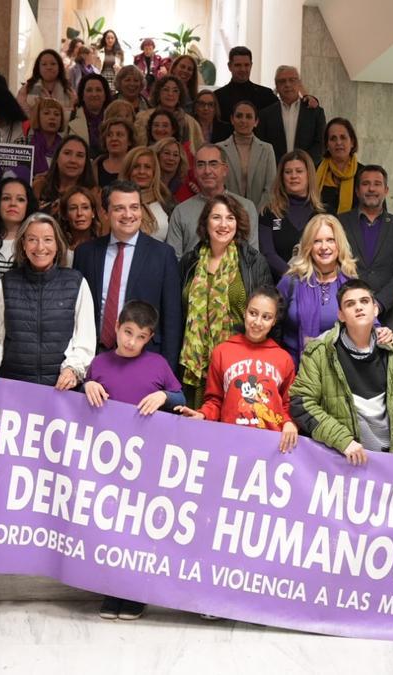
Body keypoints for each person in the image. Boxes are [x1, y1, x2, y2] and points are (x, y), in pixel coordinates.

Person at [84, 299, 185, 620]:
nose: (131, 341)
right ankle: (111, 591)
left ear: (149, 337)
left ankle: (135, 594)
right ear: (115, 327)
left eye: (140, 336)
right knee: (110, 526)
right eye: (127, 332)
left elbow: (180, 398)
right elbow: (77, 404)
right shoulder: (99, 363)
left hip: (146, 464)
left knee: (138, 528)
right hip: (109, 463)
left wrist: (165, 396)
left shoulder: (157, 365)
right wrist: (86, 385)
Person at [288, 280, 393, 476]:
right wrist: (343, 440)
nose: (358, 307)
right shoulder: (320, 352)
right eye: (350, 304)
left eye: (364, 301)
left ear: (375, 309)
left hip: (388, 463)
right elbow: (300, 402)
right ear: (340, 315)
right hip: (341, 463)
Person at [0, 212, 95, 387]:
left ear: (57, 245)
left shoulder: (76, 283)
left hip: (60, 390)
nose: (40, 247)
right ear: (23, 244)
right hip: (13, 388)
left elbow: (84, 340)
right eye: (32, 239)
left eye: (47, 239)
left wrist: (71, 370)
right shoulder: (7, 283)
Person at [73, 181, 183, 367]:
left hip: (144, 358)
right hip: (93, 356)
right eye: (119, 209)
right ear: (105, 213)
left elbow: (172, 319)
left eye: (134, 207)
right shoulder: (85, 253)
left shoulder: (163, 255)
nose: (128, 215)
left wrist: (167, 371)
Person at [177, 194, 274, 405]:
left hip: (238, 365)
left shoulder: (253, 262)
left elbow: (268, 315)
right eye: (216, 218)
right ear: (205, 222)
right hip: (194, 367)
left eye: (230, 218)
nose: (223, 224)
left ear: (238, 223)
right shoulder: (190, 261)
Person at [177, 286, 298, 451]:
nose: (257, 322)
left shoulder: (284, 359)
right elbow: (215, 400)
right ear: (244, 312)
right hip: (230, 443)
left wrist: (289, 422)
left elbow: (286, 404)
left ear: (274, 321)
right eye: (253, 313)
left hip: (269, 446)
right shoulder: (222, 351)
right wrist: (203, 414)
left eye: (266, 317)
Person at [276, 214, 357, 364]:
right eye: (317, 241)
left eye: (330, 240)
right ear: (308, 246)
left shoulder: (351, 284)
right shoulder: (291, 281)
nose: (324, 247)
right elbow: (271, 322)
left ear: (339, 244)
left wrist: (380, 330)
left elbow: (366, 320)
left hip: (338, 372)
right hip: (293, 372)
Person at [338, 165, 393, 325]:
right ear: (357, 191)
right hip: (346, 313)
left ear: (386, 190)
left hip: (384, 316)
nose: (371, 188)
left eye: (377, 184)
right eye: (365, 184)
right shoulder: (340, 223)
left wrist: (378, 303)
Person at [165, 144, 259, 257]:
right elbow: (174, 259)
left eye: (213, 164)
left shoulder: (246, 207)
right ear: (194, 171)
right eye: (201, 165)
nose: (207, 171)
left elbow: (253, 258)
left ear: (225, 170)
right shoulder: (181, 211)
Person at [259, 150, 324, 279]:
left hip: (318, 284)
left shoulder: (325, 214)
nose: (293, 176)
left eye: (299, 171)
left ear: (309, 175)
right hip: (279, 287)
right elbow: (268, 253)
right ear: (282, 177)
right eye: (288, 172)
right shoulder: (268, 213)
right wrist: (294, 276)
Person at [257, 66, 325, 165]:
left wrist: (302, 165)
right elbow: (262, 146)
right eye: (282, 81)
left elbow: (321, 144)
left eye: (292, 80)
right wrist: (281, 167)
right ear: (276, 85)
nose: (287, 84)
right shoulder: (265, 115)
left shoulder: (315, 113)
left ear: (299, 83)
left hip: (307, 172)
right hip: (275, 172)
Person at [217, 101, 276, 212]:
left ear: (256, 122)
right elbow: (218, 186)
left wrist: (255, 214)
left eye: (249, 117)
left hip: (259, 215)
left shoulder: (267, 150)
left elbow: (270, 188)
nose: (243, 120)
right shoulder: (219, 149)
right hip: (226, 214)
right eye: (239, 116)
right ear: (232, 119)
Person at [134, 75, 205, 149]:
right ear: (158, 94)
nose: (170, 94)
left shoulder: (191, 123)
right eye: (166, 89)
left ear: (180, 96)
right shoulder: (143, 118)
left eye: (175, 91)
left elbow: (200, 150)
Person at [33, 135, 98, 214]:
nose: (73, 160)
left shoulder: (93, 194)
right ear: (57, 157)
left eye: (80, 155)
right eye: (67, 153)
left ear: (86, 162)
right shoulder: (39, 186)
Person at [120, 146, 174, 241]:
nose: (141, 171)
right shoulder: (116, 202)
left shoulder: (166, 201)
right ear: (128, 171)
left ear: (154, 172)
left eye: (147, 167)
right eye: (136, 167)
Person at [213, 46, 278, 123]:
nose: (243, 69)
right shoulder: (217, 97)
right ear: (229, 66)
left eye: (246, 65)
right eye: (238, 65)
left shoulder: (266, 95)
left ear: (251, 65)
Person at [316, 118, 363, 214]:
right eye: (333, 138)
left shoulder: (364, 174)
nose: (338, 143)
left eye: (343, 137)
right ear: (327, 145)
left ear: (352, 142)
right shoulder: (314, 171)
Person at [17, 48, 75, 117]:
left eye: (53, 64)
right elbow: (21, 111)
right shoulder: (27, 88)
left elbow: (72, 114)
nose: (49, 67)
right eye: (44, 64)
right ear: (38, 68)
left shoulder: (68, 90)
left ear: (59, 67)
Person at [68, 73, 112, 157]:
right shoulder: (69, 117)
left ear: (105, 95)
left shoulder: (114, 118)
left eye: (98, 90)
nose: (94, 94)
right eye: (89, 90)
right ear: (82, 95)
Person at [58, 186, 103, 263]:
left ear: (93, 212)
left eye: (85, 208)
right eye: (73, 208)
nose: (79, 213)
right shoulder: (58, 249)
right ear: (65, 215)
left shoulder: (103, 247)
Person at [94, 118, 135, 188]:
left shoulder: (135, 166)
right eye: (109, 135)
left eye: (119, 135)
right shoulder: (95, 166)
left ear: (129, 141)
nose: (114, 139)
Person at [30, 97, 66, 176]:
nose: (52, 117)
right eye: (46, 113)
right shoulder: (26, 142)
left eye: (56, 114)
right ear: (38, 117)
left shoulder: (65, 146)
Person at [152, 137, 192, 204]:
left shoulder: (186, 187)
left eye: (175, 155)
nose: (171, 158)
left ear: (180, 160)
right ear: (157, 155)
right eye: (167, 153)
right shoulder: (149, 184)